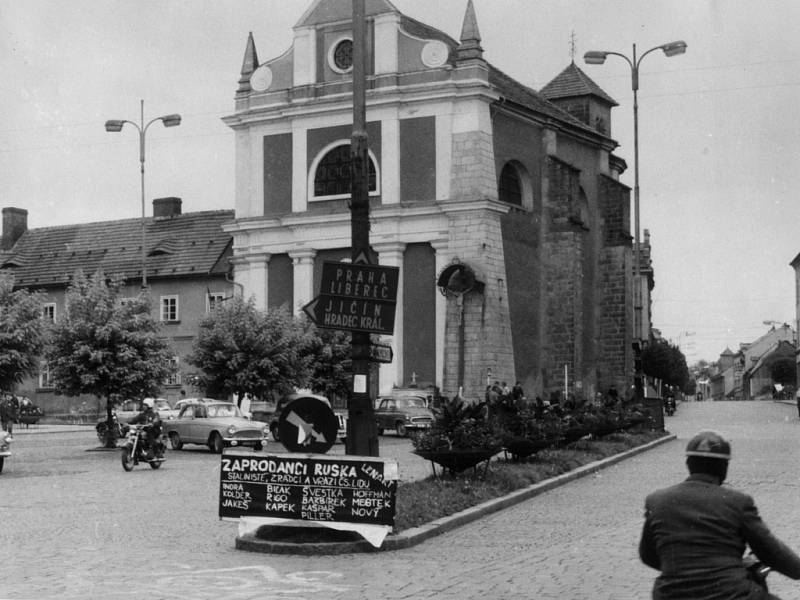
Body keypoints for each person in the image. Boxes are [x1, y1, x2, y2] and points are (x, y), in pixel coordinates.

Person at [639, 430, 800, 599]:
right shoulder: (737, 502)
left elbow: (648, 555)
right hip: (730, 594)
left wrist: (684, 572)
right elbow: (771, 552)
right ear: (724, 467)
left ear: (689, 463)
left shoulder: (657, 500)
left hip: (671, 595)